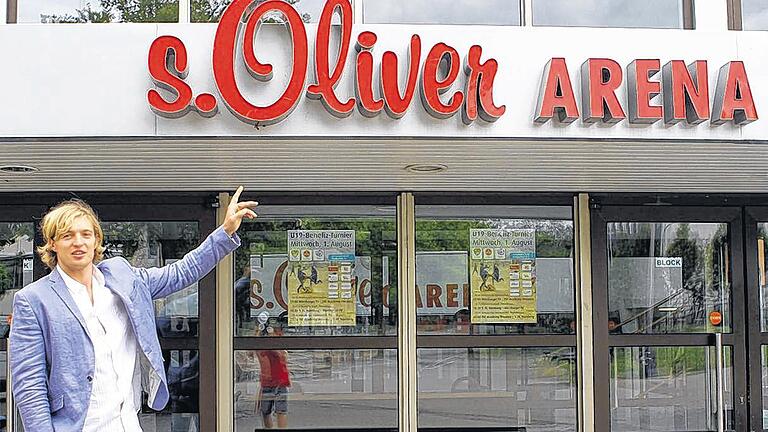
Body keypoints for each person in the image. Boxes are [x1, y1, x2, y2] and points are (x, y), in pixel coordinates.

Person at [10, 187, 257, 432]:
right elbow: (29, 385)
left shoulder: (121, 276)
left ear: (96, 239)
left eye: (86, 234)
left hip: (126, 422)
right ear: (52, 243)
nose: (78, 242)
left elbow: (180, 273)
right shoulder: (33, 300)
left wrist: (224, 232)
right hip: (78, 426)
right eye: (67, 235)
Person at [256, 324, 290, 429]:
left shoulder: (278, 348)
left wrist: (270, 337)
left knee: (281, 411)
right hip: (267, 382)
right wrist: (257, 333)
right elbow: (253, 351)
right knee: (265, 412)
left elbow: (282, 356)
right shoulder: (263, 349)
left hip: (280, 382)